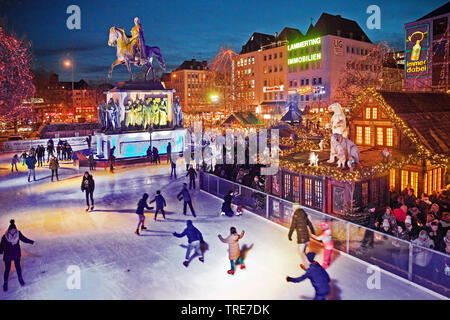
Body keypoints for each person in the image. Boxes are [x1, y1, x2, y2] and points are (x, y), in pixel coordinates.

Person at [0, 219, 35, 292]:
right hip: (8, 255)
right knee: (7, 269)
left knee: (18, 267)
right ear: (9, 230)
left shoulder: (18, 234)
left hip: (16, 254)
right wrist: (0, 253)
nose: (13, 231)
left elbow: (24, 239)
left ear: (15, 230)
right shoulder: (5, 237)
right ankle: (5, 282)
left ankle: (20, 278)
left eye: (14, 230)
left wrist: (32, 242)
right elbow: (2, 246)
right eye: (11, 230)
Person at [288, 204, 315, 269]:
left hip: (302, 238)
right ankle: (306, 264)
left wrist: (289, 235)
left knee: (301, 253)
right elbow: (310, 224)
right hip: (307, 238)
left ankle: (308, 266)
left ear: (294, 208)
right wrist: (313, 232)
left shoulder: (295, 215)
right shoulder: (304, 214)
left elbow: (292, 226)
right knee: (303, 251)